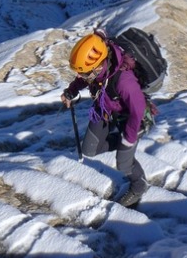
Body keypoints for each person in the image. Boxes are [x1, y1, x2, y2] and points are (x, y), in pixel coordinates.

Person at [61, 30, 149, 208]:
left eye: (85, 73)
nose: (82, 77)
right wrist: (72, 89)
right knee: (89, 149)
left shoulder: (124, 81)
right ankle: (122, 145)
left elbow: (137, 112)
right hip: (105, 110)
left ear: (99, 66)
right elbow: (86, 80)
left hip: (131, 121)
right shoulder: (99, 69)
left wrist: (129, 139)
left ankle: (139, 186)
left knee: (124, 164)